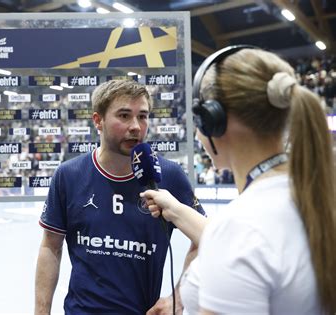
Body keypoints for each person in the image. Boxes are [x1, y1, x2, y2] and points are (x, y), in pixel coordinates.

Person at [141, 46, 336, 314]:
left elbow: (239, 241)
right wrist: (175, 209)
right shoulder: (313, 195)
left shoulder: (240, 227)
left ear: (214, 120)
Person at [35, 79, 205, 315]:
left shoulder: (170, 177)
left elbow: (204, 239)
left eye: (142, 116)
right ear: (98, 121)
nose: (136, 126)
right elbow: (50, 247)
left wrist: (179, 297)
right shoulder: (69, 175)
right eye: (124, 116)